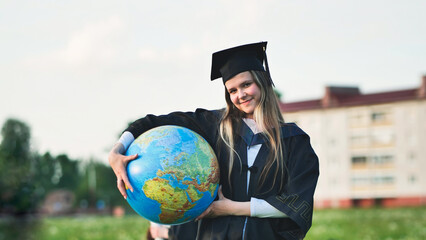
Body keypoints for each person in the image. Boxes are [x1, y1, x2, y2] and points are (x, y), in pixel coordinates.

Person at [109, 42, 319, 240]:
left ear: (262, 81)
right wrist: (116, 150)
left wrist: (228, 208)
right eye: (232, 91)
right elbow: (151, 122)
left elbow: (296, 203)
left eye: (247, 84)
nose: (241, 95)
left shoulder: (293, 141)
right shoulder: (214, 126)